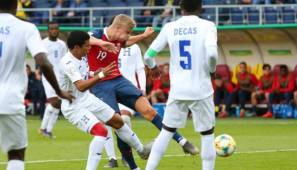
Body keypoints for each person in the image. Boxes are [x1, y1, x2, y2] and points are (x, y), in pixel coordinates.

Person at [88, 14, 198, 170]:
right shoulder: (97, 33)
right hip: (100, 85)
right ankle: (134, 165)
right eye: (127, 32)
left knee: (149, 111)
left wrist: (144, 35)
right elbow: (84, 39)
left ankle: (182, 141)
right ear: (118, 28)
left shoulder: (121, 39)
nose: (128, 36)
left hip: (119, 80)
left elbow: (126, 42)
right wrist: (103, 43)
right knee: (119, 123)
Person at [58, 31, 152, 170]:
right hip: (73, 107)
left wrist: (95, 72)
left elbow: (85, 73)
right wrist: (101, 75)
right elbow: (81, 86)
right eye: (86, 46)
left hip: (87, 100)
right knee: (101, 132)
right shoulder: (67, 63)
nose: (89, 49)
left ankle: (142, 150)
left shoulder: (81, 57)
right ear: (76, 47)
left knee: (118, 121)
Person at [144, 0, 218, 169]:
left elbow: (148, 55)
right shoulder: (208, 26)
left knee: (166, 132)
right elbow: (212, 55)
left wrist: (153, 67)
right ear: (200, 7)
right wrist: (212, 70)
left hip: (178, 90)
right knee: (207, 135)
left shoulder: (170, 27)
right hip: (201, 90)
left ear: (180, 8)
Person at [0, 1, 73, 170]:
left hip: (12, 100)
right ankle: (44, 128)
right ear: (16, 5)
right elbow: (42, 61)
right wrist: (58, 90)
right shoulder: (26, 27)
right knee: (16, 153)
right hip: (10, 101)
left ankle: (45, 128)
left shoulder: (59, 44)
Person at [103, 44, 146, 168]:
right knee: (106, 123)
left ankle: (126, 155)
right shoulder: (105, 45)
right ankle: (112, 158)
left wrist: (142, 88)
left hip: (128, 89)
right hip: (108, 89)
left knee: (124, 119)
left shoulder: (134, 47)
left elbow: (140, 69)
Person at [39, 21, 68, 138]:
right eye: (51, 29)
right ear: (48, 31)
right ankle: (43, 128)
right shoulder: (43, 43)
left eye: (56, 29)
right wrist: (38, 70)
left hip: (60, 77)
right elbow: (40, 59)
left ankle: (48, 131)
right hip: (48, 77)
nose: (54, 31)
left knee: (58, 104)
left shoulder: (62, 44)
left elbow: (64, 60)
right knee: (54, 102)